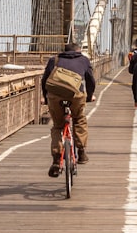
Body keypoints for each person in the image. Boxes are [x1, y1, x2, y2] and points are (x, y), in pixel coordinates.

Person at [41, 42, 96, 177]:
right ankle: (82, 152)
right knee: (79, 119)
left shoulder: (54, 60)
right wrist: (89, 95)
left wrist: (46, 97)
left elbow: (44, 81)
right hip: (75, 96)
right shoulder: (83, 60)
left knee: (58, 126)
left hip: (55, 97)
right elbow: (91, 80)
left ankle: (56, 159)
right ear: (78, 51)